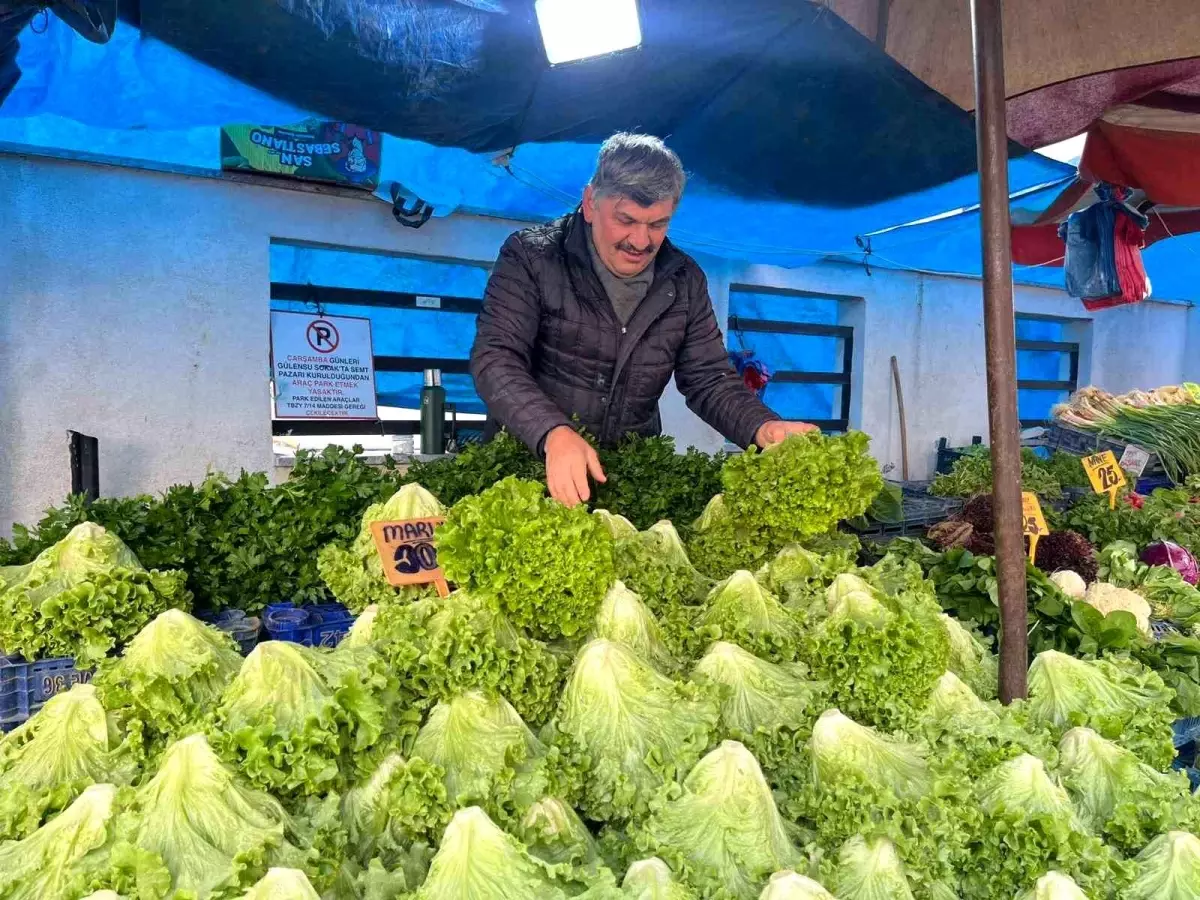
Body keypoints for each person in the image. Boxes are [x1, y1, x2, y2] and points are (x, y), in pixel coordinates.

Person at [470, 133, 815, 507]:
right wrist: (552, 433)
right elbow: (496, 358)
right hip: (531, 467)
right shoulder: (531, 257)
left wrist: (762, 426)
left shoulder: (684, 280)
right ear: (590, 203)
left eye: (657, 224)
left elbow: (709, 378)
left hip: (625, 481)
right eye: (626, 220)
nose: (641, 240)